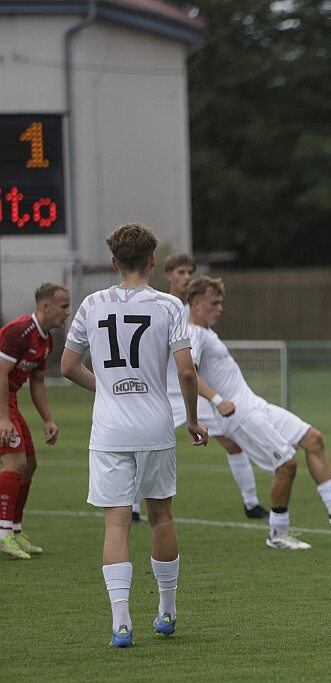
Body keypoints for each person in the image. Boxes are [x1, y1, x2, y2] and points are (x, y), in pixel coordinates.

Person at [61, 223, 209, 648]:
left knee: (116, 524)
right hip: (154, 426)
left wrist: (106, 389)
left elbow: (68, 366)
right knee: (161, 517)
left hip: (109, 430)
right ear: (152, 260)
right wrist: (193, 420)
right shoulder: (169, 305)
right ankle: (167, 611)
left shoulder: (92, 304)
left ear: (113, 262)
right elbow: (186, 372)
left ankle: (121, 623)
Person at [186, 275, 331, 550]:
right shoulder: (194, 333)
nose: (220, 308)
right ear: (196, 304)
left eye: (221, 302)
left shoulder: (208, 332)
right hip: (238, 414)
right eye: (214, 303)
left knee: (313, 439)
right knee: (286, 465)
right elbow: (188, 373)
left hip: (254, 405)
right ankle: (278, 534)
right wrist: (217, 400)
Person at [132, 254, 266, 524]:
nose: (187, 277)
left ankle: (251, 503)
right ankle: (133, 507)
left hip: (191, 390)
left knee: (231, 440)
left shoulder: (194, 312)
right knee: (144, 446)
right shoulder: (159, 306)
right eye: (181, 272)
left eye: (190, 272)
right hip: (162, 391)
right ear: (168, 275)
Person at [0, 283, 71, 559]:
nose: (68, 312)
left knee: (29, 463)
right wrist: (3, 419)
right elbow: (0, 374)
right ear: (46, 306)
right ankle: (3, 534)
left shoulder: (46, 341)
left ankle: (15, 531)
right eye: (64, 306)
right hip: (2, 402)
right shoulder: (19, 332)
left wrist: (48, 419)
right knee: (15, 461)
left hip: (9, 400)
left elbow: (38, 381)